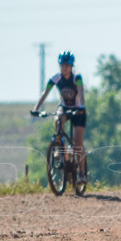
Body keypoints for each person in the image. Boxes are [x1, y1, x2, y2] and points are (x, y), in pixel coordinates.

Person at [32, 51, 87, 183]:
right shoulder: (56, 78)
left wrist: (82, 107)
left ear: (71, 66)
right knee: (58, 119)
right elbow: (45, 92)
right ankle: (60, 147)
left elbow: (81, 92)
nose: (64, 68)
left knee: (78, 143)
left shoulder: (76, 78)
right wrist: (36, 108)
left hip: (78, 111)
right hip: (65, 108)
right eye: (62, 65)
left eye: (67, 65)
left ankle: (82, 173)